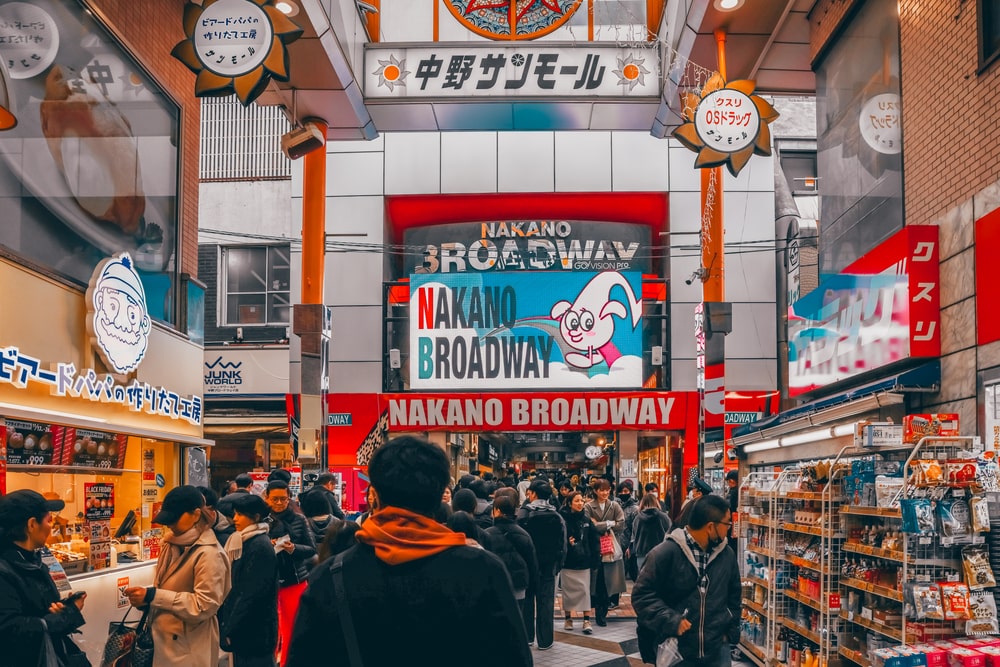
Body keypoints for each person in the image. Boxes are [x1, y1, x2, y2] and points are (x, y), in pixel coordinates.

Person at [285, 436, 532, 666]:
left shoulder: (330, 575)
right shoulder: (483, 570)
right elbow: (514, 658)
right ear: (440, 498)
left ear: (376, 496)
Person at [125, 485, 231, 667]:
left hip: (188, 648)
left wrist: (153, 596)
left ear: (196, 514)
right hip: (163, 644)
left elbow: (205, 605)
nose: (169, 525)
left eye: (174, 519)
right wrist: (146, 602)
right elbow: (165, 588)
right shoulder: (170, 543)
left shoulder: (209, 554)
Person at [633, 495, 741, 667]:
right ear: (711, 527)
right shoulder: (665, 553)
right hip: (676, 650)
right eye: (727, 523)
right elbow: (642, 596)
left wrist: (730, 631)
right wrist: (671, 620)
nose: (729, 528)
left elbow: (734, 596)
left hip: (717, 648)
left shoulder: (726, 555)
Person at [0, 490, 89, 666]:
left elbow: (33, 611)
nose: (52, 525)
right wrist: (66, 616)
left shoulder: (32, 561)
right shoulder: (5, 570)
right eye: (48, 520)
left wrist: (60, 608)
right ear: (32, 524)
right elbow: (8, 630)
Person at [220, 493, 278, 667]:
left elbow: (250, 593)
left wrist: (231, 627)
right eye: (235, 514)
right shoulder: (243, 540)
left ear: (256, 517)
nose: (235, 519)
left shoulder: (259, 545)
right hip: (250, 627)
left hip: (255, 629)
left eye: (240, 514)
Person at [265, 480, 317, 666]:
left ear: (289, 498)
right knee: (269, 628)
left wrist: (293, 548)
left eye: (283, 499)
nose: (279, 503)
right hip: (267, 581)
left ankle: (288, 662)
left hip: (294, 579)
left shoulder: (299, 519)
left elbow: (311, 549)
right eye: (275, 499)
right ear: (267, 498)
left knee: (292, 627)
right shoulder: (261, 519)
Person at [517, 477, 566, 650]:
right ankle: (545, 640)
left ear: (533, 493)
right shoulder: (556, 515)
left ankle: (528, 637)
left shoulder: (523, 514)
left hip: (528, 566)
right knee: (546, 603)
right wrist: (558, 564)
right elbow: (563, 543)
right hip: (549, 567)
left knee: (528, 602)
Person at [484, 494, 538, 639]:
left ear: (497, 511)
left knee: (498, 620)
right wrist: (532, 584)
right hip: (519, 584)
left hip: (496, 584)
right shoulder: (524, 534)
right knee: (517, 619)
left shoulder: (487, 534)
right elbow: (532, 562)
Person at [584, 479, 626, 625]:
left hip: (610, 549)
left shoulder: (614, 506)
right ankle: (597, 613)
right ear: (595, 491)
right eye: (602, 490)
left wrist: (601, 524)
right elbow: (590, 526)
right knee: (597, 582)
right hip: (595, 549)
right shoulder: (588, 506)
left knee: (608, 582)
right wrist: (609, 523)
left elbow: (621, 524)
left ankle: (602, 613)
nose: (605, 492)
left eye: (607, 490)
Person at [559, 491, 599, 634]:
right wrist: (566, 544)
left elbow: (594, 540)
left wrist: (595, 558)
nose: (580, 503)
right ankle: (568, 618)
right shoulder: (562, 519)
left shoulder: (587, 519)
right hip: (568, 561)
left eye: (582, 501)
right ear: (569, 503)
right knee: (567, 592)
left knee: (585, 591)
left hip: (584, 560)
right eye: (576, 501)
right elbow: (558, 539)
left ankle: (586, 620)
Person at [632, 493, 673, 573]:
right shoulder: (664, 517)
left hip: (642, 553)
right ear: (656, 502)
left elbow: (634, 535)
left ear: (642, 503)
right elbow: (670, 533)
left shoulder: (638, 518)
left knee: (644, 580)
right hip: (661, 553)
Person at [616, 481, 640, 586]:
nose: (623, 493)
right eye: (621, 491)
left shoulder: (635, 509)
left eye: (625, 491)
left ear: (630, 492)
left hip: (629, 543)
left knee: (631, 570)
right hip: (617, 542)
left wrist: (631, 544)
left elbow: (635, 528)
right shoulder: (616, 506)